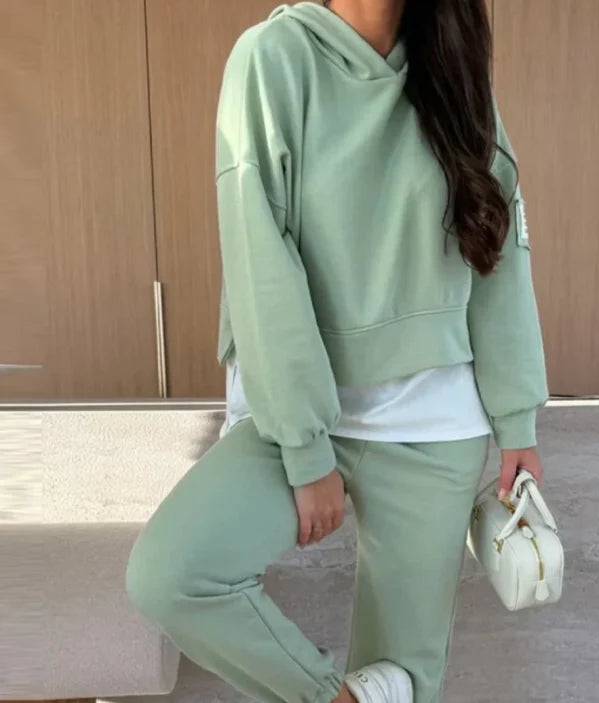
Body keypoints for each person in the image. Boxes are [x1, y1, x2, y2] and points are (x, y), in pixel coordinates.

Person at [125, 1, 548, 701]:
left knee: (406, 680)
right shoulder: (272, 59)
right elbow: (262, 260)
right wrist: (305, 447)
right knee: (173, 572)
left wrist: (516, 419)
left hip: (435, 423)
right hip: (298, 413)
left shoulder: (450, 69)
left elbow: (496, 255)